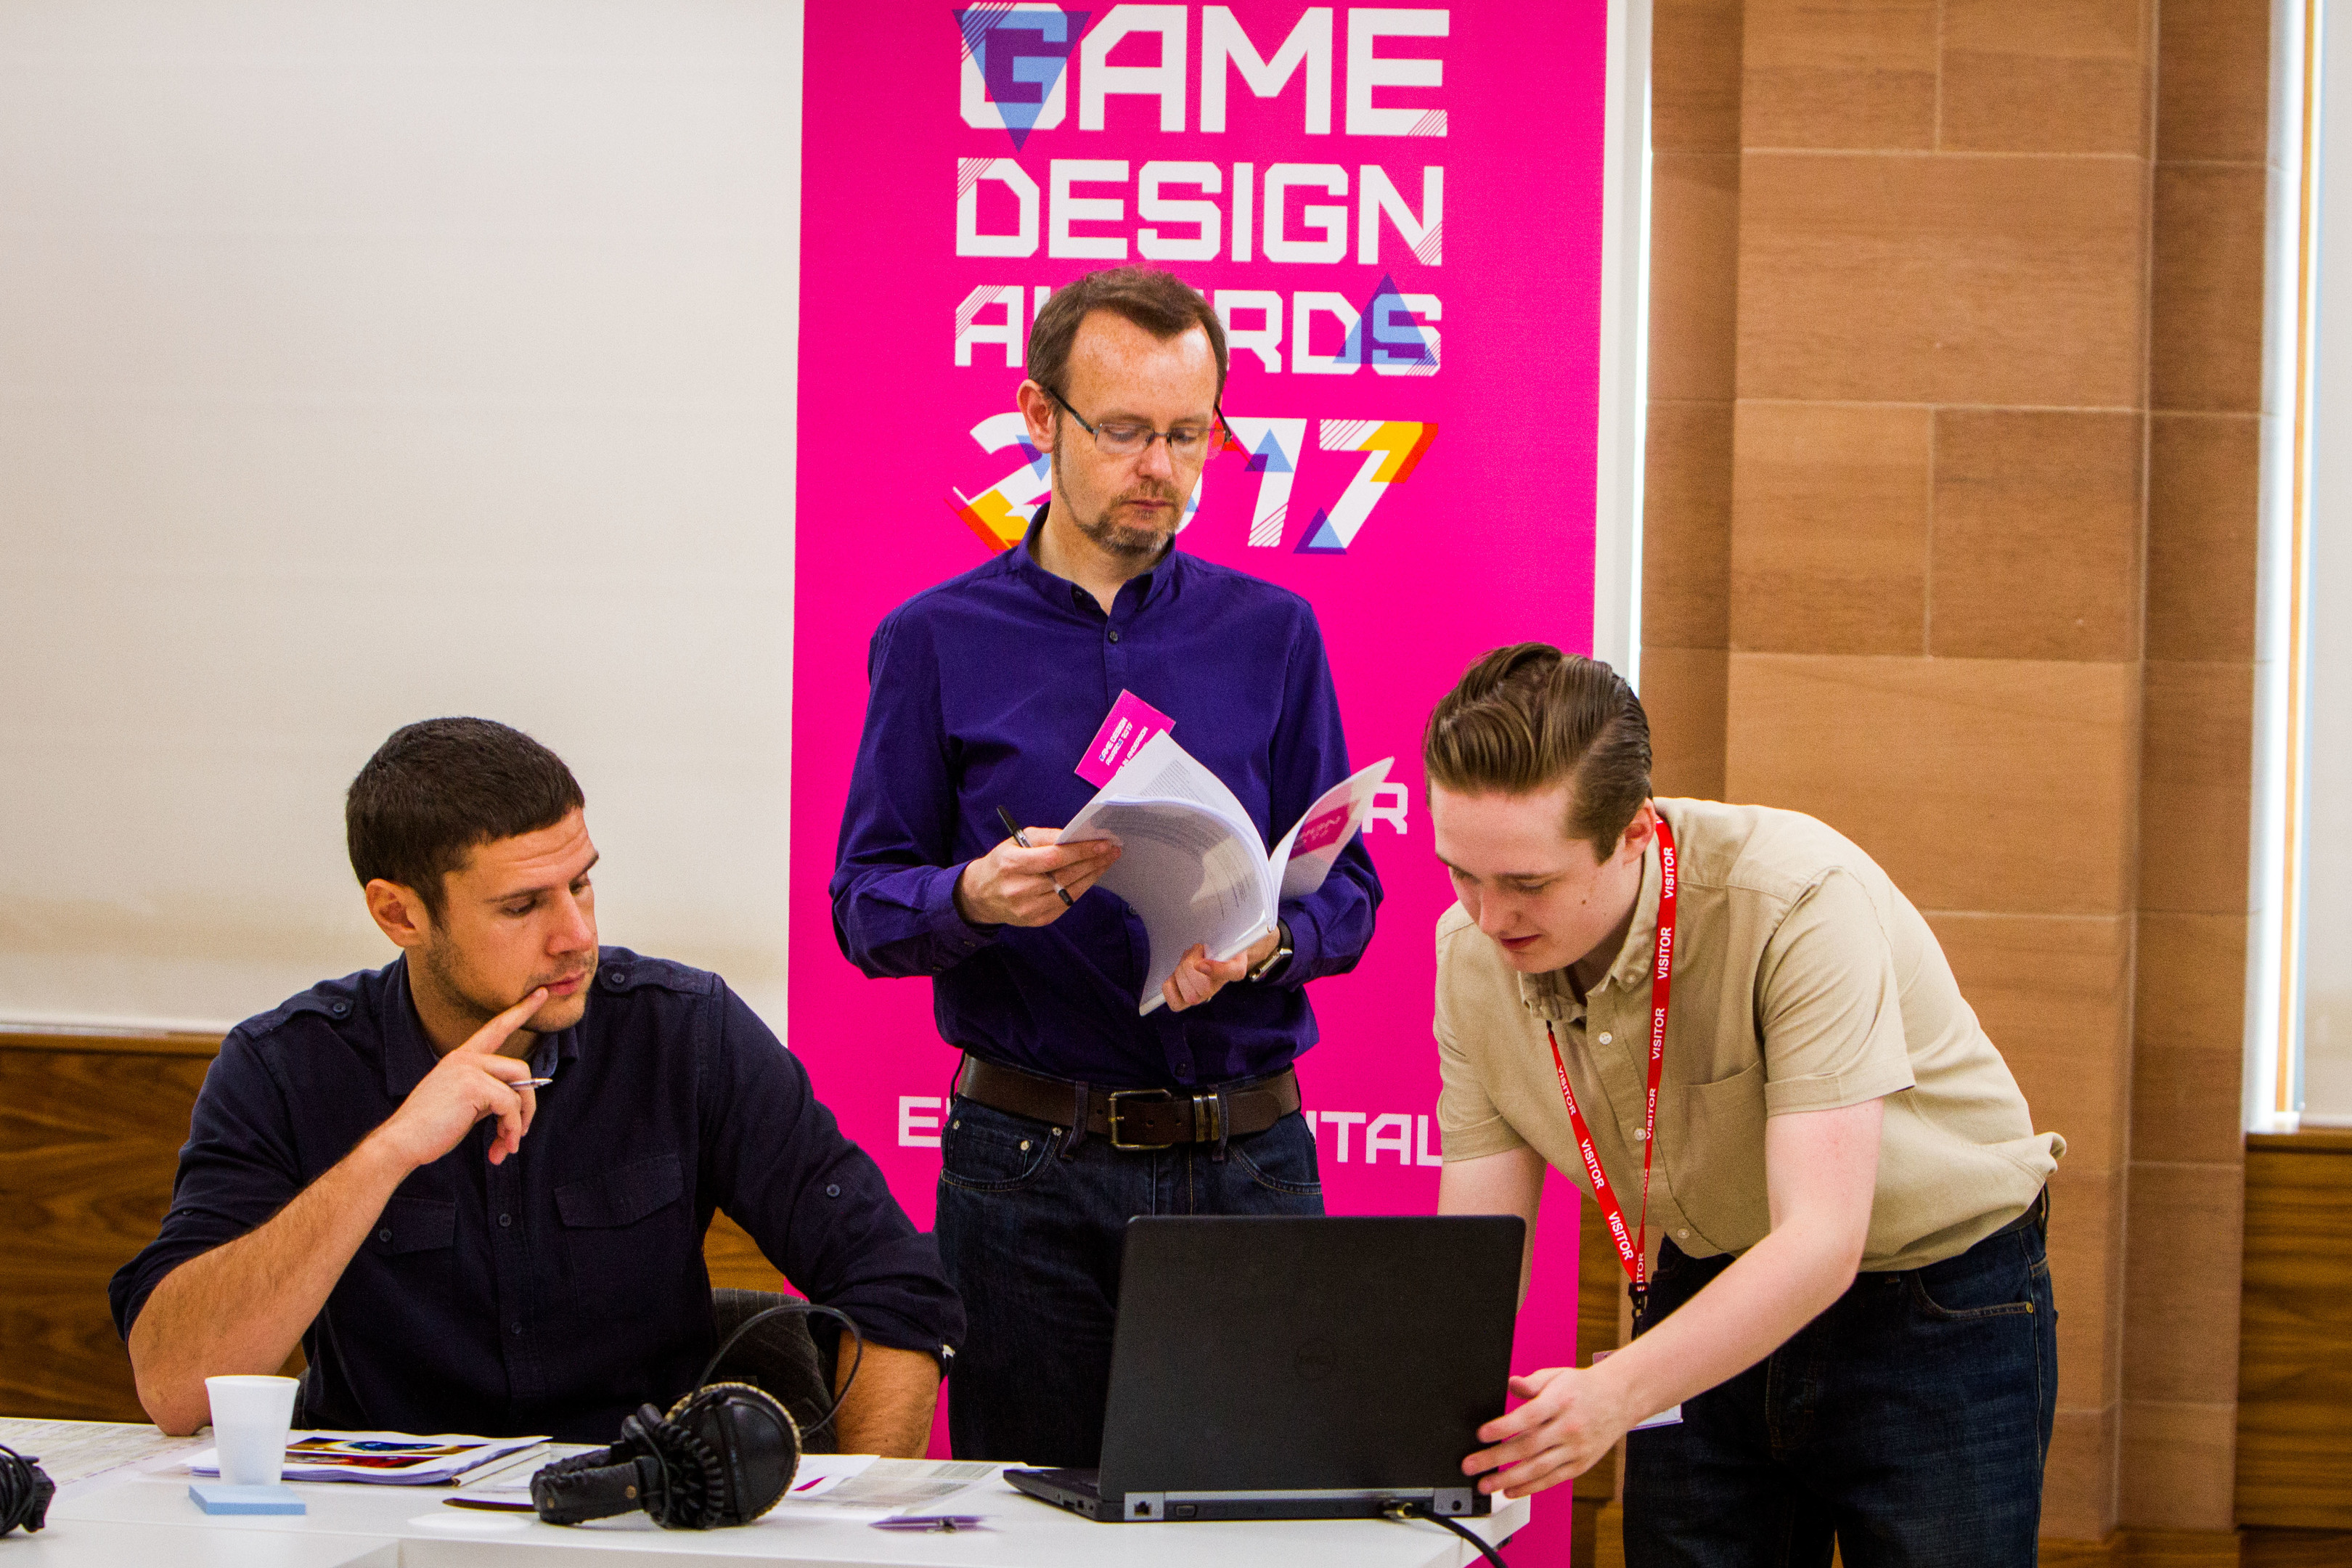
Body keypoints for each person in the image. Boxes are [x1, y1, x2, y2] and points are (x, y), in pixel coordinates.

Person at [830, 264, 1383, 1465]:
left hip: (1248, 1159)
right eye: (1127, 431)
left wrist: (1273, 943)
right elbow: (865, 905)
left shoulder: (1273, 632)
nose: (1162, 468)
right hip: (1029, 1168)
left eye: (1192, 434)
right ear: (1041, 419)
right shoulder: (935, 641)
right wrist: (972, 896)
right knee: (1029, 1528)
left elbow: (1351, 891)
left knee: (1267, 1524)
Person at [113, 718, 962, 1447]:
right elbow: (176, 1387)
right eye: (523, 907)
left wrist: (862, 1519)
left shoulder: (682, 1030)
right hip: (381, 1526)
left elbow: (891, 1285)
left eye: (582, 883)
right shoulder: (284, 1065)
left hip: (639, 1515)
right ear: (399, 914)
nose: (576, 935)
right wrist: (390, 1152)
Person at [1424, 645, 2063, 1564]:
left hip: (1934, 1301)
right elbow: (1479, 1262)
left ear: (1637, 832)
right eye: (1462, 875)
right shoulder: (1470, 954)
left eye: (1528, 883)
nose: (1489, 918)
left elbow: (1819, 1241)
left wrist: (1614, 1396)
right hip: (1701, 1284)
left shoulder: (1798, 899)